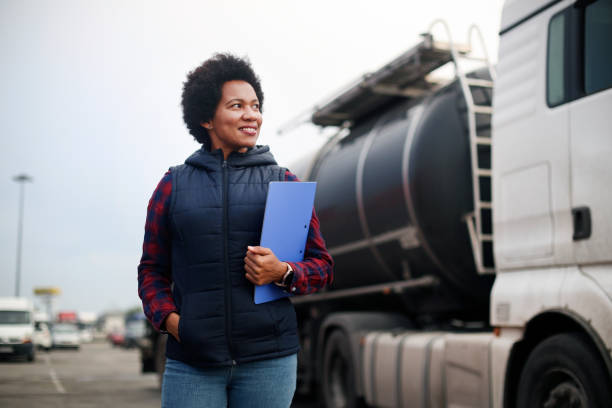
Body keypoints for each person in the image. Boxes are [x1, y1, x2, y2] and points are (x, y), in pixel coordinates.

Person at [137, 53, 333, 408]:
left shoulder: (284, 182)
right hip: (193, 363)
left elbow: (322, 268)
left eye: (255, 106)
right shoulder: (172, 186)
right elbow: (151, 270)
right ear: (206, 117)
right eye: (237, 105)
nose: (251, 115)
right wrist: (171, 322)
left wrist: (284, 271)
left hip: (269, 362)